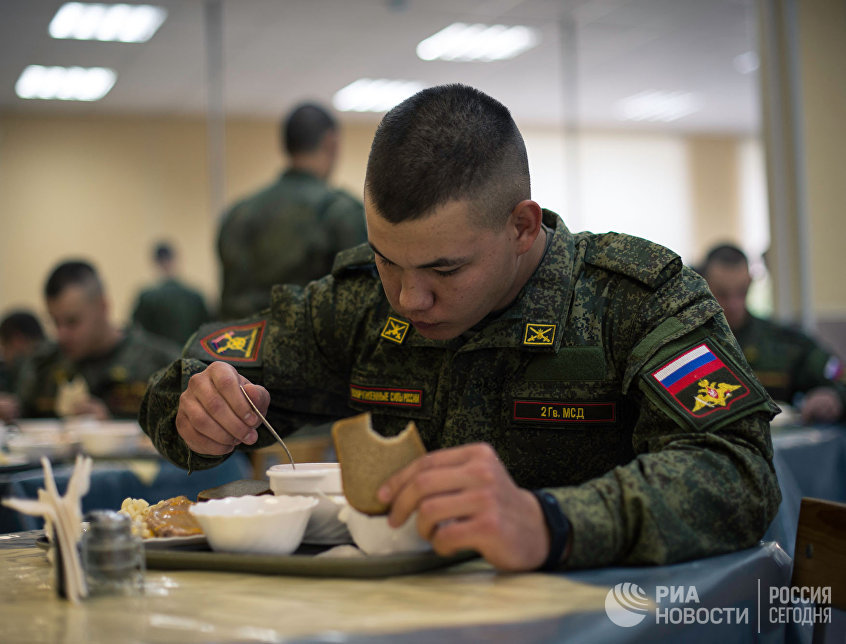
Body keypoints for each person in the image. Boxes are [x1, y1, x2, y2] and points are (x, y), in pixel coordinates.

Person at [141, 84, 780, 572]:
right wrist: (196, 409)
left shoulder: (636, 301)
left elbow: (737, 473)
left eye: (445, 268)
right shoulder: (360, 306)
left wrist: (552, 521)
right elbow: (187, 376)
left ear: (523, 225)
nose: (409, 297)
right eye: (387, 260)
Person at [217, 102, 367, 319]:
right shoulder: (339, 212)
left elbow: (229, 300)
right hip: (311, 350)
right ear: (331, 142)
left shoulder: (239, 214)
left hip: (241, 348)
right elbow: (359, 303)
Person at [0, 260, 179, 421]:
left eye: (72, 322)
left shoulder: (161, 363)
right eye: (55, 322)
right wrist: (8, 410)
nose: (61, 334)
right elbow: (23, 417)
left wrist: (112, 425)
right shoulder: (43, 364)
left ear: (103, 307)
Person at [701, 243, 845, 423]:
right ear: (702, 287)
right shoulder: (686, 343)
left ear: (750, 283)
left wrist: (834, 397)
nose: (734, 305)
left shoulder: (784, 342)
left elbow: (838, 377)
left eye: (742, 292)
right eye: (722, 294)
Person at [131, 242, 212, 347]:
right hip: (191, 357)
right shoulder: (195, 296)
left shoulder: (147, 298)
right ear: (175, 259)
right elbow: (208, 330)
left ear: (156, 263)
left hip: (159, 359)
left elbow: (137, 333)